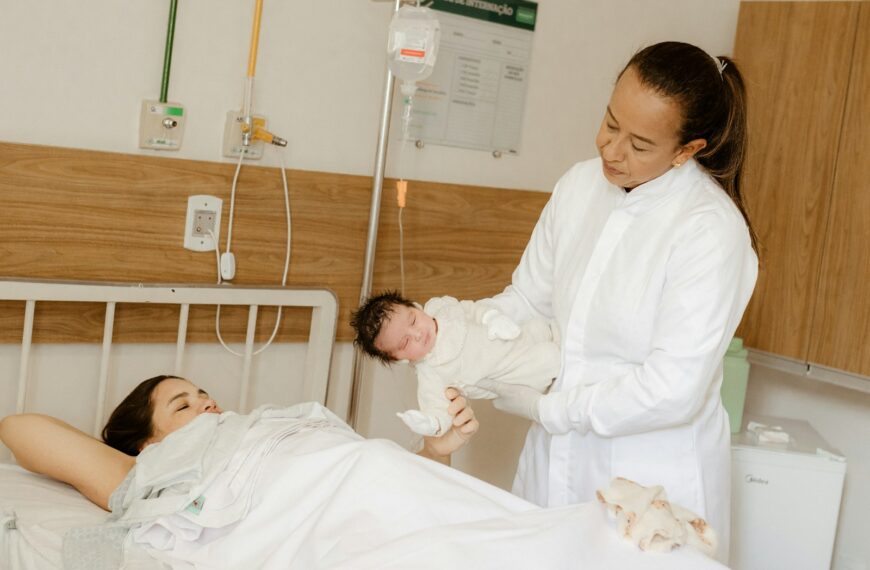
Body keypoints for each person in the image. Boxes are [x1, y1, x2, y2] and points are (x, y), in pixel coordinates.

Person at [474, 41, 758, 563]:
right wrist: (460, 341)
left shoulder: (709, 230)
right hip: (554, 464)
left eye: (640, 144)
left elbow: (673, 387)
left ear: (687, 150)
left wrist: (551, 409)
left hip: (652, 485)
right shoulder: (578, 187)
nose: (611, 149)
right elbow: (529, 301)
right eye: (610, 123)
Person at [0, 375, 478, 511]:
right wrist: (126, 463)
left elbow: (381, 474)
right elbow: (18, 428)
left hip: (367, 477)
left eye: (203, 394)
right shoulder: (154, 469)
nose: (207, 403)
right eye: (183, 406)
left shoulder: (260, 426)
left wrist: (437, 451)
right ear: (148, 444)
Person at [351, 291, 560, 436]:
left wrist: (491, 317)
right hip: (513, 374)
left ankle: (543, 337)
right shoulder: (430, 371)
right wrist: (431, 423)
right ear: (400, 359)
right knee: (549, 359)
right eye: (405, 342)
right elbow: (437, 406)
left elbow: (472, 309)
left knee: (539, 327)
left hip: (509, 336)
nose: (417, 334)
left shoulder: (442, 308)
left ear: (415, 307)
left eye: (413, 320)